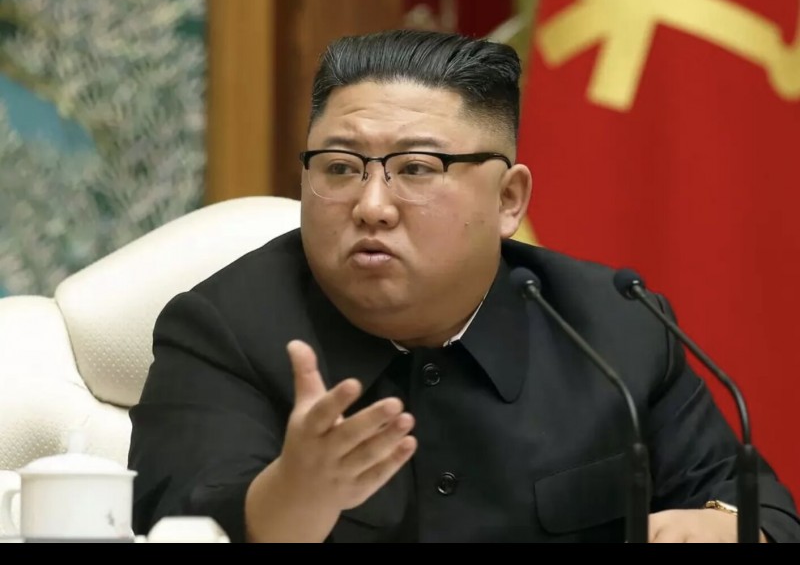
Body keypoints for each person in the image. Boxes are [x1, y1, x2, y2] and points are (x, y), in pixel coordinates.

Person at [127, 29, 800, 543]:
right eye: (339, 167)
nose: (371, 205)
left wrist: (725, 526)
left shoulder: (615, 327)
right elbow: (172, 523)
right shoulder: (223, 331)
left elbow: (758, 505)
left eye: (417, 169)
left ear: (508, 199)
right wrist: (292, 498)